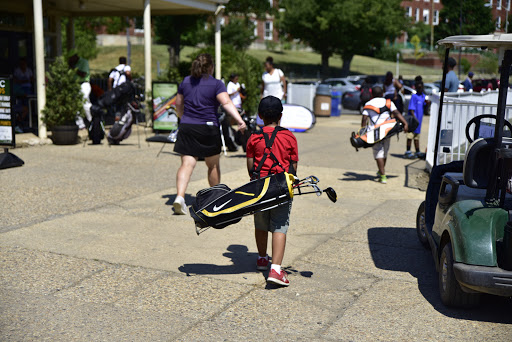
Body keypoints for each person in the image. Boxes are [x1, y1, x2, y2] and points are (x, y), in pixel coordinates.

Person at [173, 53, 246, 215]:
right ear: (211, 67)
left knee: (187, 164)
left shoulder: (186, 81)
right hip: (208, 128)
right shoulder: (216, 84)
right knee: (212, 165)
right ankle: (214, 200)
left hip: (188, 127)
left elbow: (178, 104)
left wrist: (182, 117)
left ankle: (179, 197)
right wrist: (240, 120)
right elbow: (226, 102)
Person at [246, 96, 298, 286]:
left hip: (260, 189)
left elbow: (251, 167)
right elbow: (293, 167)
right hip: (281, 188)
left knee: (260, 223)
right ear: (281, 116)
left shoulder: (254, 138)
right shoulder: (289, 137)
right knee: (279, 226)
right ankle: (276, 269)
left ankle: (262, 258)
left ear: (260, 116)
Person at [361, 86, 408, 184]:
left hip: (374, 132)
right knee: (385, 151)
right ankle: (381, 171)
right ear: (382, 93)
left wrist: (362, 131)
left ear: (372, 94)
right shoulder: (388, 102)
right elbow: (396, 113)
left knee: (378, 152)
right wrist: (405, 123)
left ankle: (382, 176)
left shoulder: (368, 104)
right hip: (387, 130)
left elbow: (364, 119)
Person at [405, 81, 429, 159]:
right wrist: (414, 119)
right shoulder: (414, 97)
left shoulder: (423, 96)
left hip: (419, 121)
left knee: (417, 137)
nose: (420, 89)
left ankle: (417, 151)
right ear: (415, 88)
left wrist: (427, 104)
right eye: (418, 88)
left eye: (421, 87)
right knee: (410, 136)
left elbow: (424, 107)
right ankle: (408, 151)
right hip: (413, 121)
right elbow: (411, 109)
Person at [68, 49, 92, 129]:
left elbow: (83, 74)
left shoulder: (84, 62)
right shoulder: (71, 64)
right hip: (75, 84)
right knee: (76, 105)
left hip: (84, 84)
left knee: (85, 102)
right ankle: (80, 124)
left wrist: (74, 68)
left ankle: (91, 120)